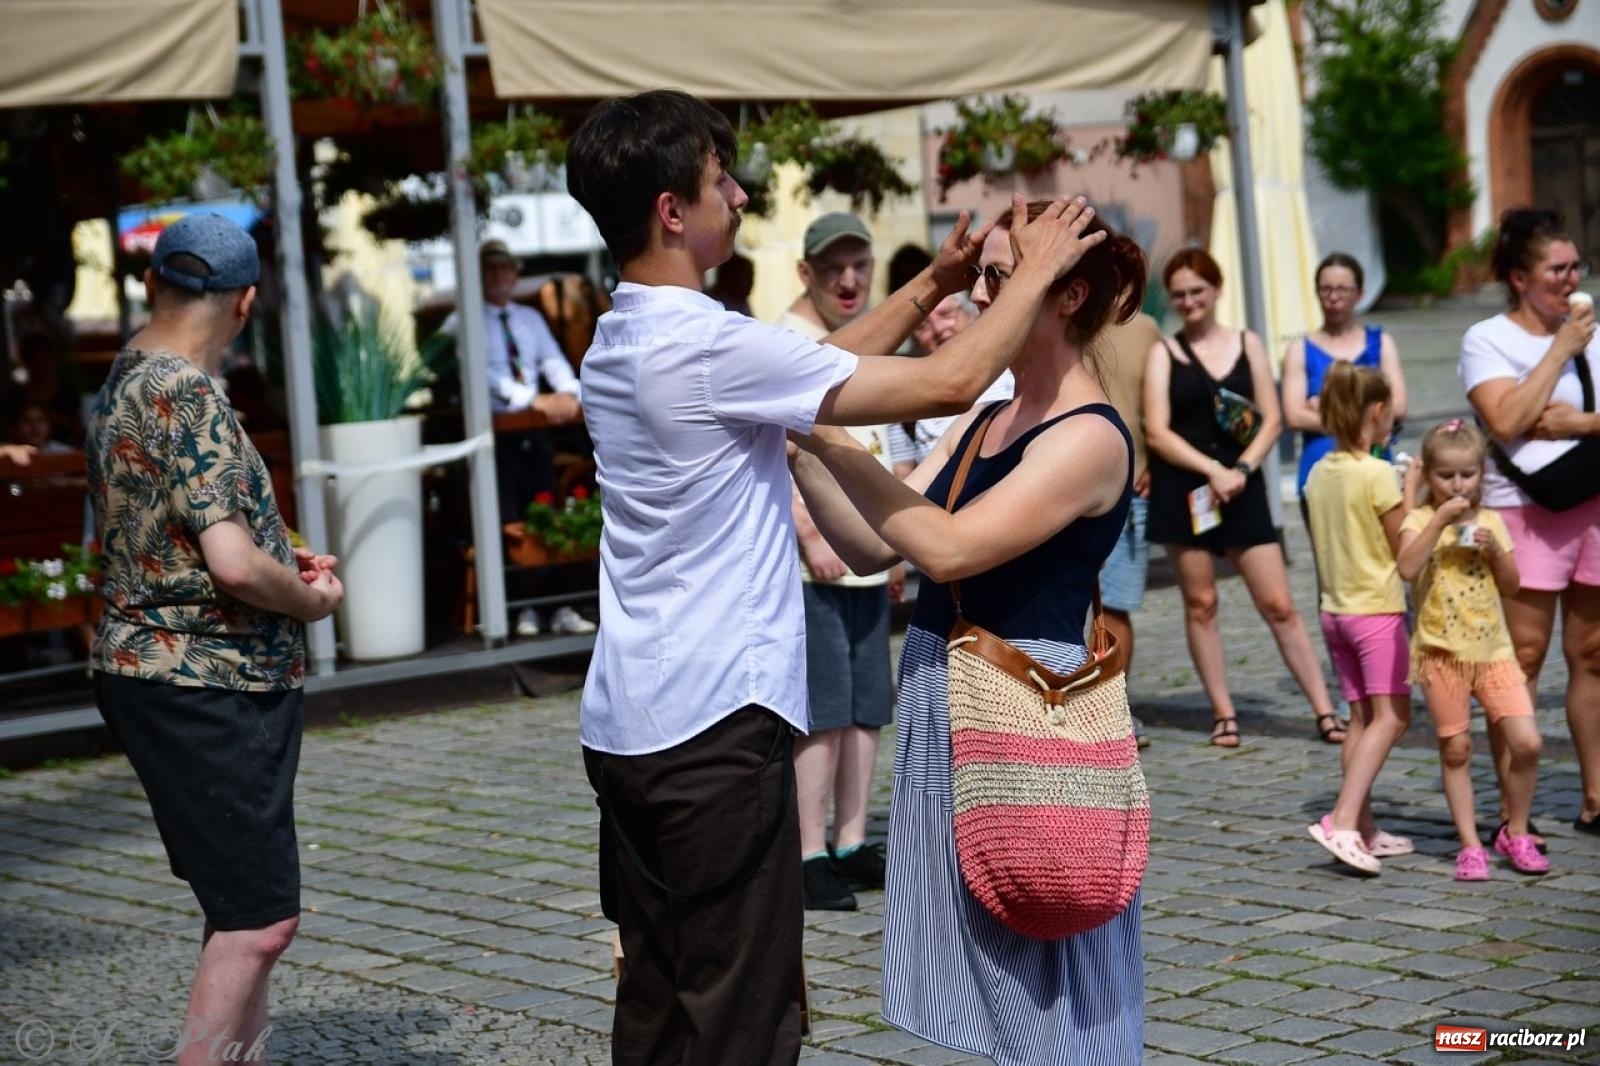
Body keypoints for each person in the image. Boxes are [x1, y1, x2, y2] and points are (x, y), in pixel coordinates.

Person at [564, 88, 1105, 1066]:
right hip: (715, 724)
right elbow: (944, 380)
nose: (738, 192)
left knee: (656, 996)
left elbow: (805, 364)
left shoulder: (623, 335)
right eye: (717, 178)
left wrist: (929, 283)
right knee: (740, 1013)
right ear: (671, 211)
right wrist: (1034, 269)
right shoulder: (707, 343)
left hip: (630, 720)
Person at [788, 199, 1146, 1065]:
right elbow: (875, 541)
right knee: (991, 962)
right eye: (986, 276)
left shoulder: (1090, 436)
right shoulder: (989, 418)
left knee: (1047, 942)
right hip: (954, 695)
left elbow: (945, 549)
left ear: (1062, 297)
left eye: (1002, 275)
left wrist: (831, 442)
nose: (983, 297)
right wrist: (805, 446)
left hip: (1031, 706)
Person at [83, 214, 344, 1064]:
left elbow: (183, 531)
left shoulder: (126, 372)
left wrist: (284, 557)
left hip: (157, 666)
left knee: (236, 909)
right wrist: (307, 603)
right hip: (205, 676)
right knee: (260, 922)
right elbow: (231, 565)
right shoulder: (188, 391)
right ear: (247, 300)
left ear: (156, 281)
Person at [1144, 248, 1345, 747]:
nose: (1190, 301)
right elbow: (1156, 430)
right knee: (1202, 602)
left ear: (1216, 291)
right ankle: (1223, 713)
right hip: (1186, 489)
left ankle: (1323, 709)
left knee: (1279, 603)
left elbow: (1272, 417)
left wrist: (1240, 469)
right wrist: (1212, 470)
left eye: (1198, 291)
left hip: (1241, 487)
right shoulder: (1163, 353)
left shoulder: (1247, 343)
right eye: (1180, 294)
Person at [1461, 208, 1600, 838]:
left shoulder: (1595, 332)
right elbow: (1509, 420)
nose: (1572, 279)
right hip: (1525, 513)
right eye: (1557, 269)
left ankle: (1595, 796)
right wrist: (1561, 350)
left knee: (1592, 653)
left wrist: (1580, 424)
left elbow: (1558, 419)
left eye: (1576, 266)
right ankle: (1512, 814)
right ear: (1521, 277)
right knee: (1521, 656)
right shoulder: (1486, 339)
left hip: (1591, 503)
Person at [776, 212, 899, 911]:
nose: (848, 281)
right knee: (822, 708)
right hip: (815, 556)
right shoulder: (785, 336)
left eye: (858, 266)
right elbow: (783, 448)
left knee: (864, 705)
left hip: (864, 548)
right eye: (833, 270)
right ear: (807, 274)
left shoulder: (869, 332)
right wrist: (810, 533)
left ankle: (851, 839)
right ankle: (808, 848)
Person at [1396, 419, 1546, 879]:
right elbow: (1406, 567)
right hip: (1442, 654)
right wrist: (1437, 518)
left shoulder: (1491, 521)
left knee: (1528, 742)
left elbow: (1513, 585)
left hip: (1493, 651)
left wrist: (1496, 553)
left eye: (1467, 474)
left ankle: (1514, 831)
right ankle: (1469, 844)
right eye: (1445, 475)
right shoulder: (1420, 520)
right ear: (1430, 476)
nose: (1457, 484)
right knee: (1456, 748)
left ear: (1481, 472)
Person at [440, 239, 593, 638]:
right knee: (510, 520)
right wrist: (533, 398)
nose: (497, 277)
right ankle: (521, 607)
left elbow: (552, 362)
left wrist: (570, 394)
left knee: (546, 512)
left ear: (515, 274)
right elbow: (480, 374)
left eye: (504, 268)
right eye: (489, 269)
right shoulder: (463, 321)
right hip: (496, 435)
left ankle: (557, 604)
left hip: (534, 430)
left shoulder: (528, 318)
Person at [1303, 363, 1410, 875]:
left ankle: (1363, 828)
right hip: (1377, 613)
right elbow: (1402, 550)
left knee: (1361, 720)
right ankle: (1342, 820)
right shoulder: (1378, 474)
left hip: (1335, 613)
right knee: (1391, 717)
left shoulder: (1320, 470)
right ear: (1376, 411)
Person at [1282, 252, 1408, 502]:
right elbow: (1294, 415)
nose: (1334, 297)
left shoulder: (1381, 343)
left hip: (1374, 461)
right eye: (1326, 289)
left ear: (1359, 294)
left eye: (1342, 289)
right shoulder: (1299, 349)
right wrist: (1366, 418)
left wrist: (1325, 410)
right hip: (1321, 466)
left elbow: (1399, 407)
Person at [1096, 311, 1165, 748]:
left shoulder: (1146, 328)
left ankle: (1111, 709)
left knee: (1114, 606)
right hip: (1065, 478)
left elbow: (1164, 406)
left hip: (1130, 483)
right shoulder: (1066, 318)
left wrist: (1153, 465)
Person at [886, 292, 1014, 478]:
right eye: (923, 325)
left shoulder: (1015, 370)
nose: (937, 329)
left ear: (971, 313)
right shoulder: (906, 406)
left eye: (946, 314)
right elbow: (902, 480)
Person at [707, 250, 754, 315]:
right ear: (729, 278)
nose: (751, 283)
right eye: (745, 278)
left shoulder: (742, 303)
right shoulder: (710, 301)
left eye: (751, 278)